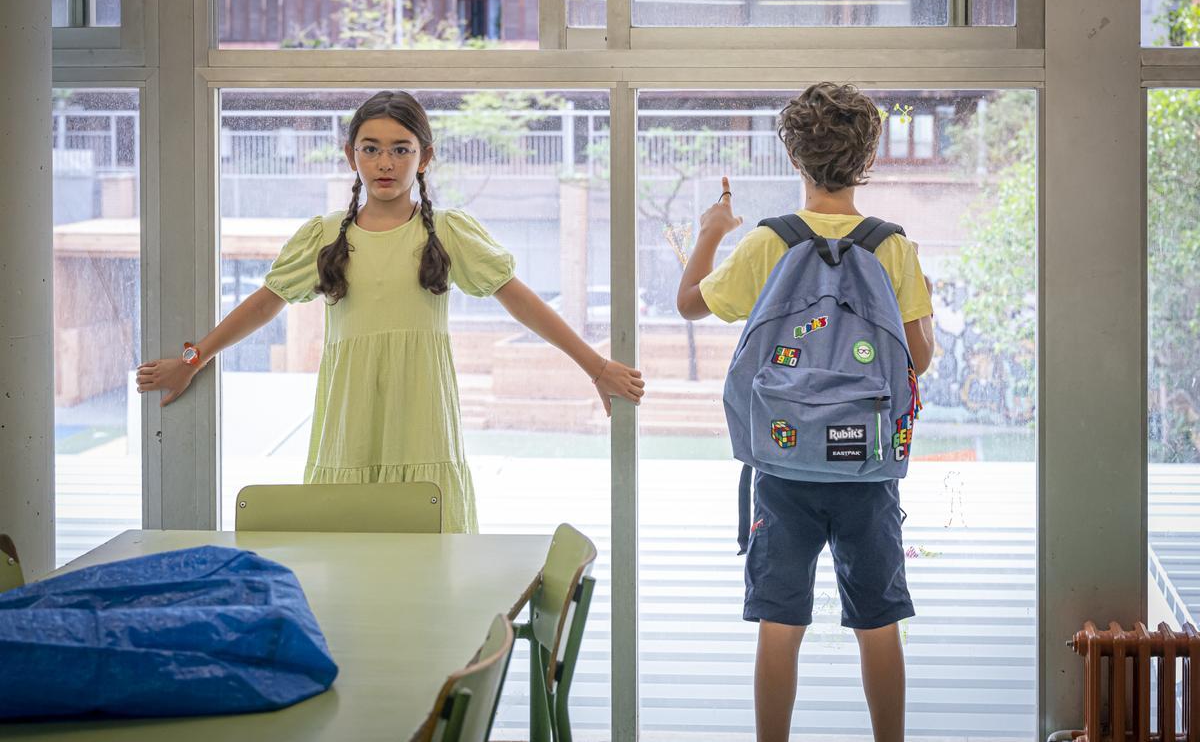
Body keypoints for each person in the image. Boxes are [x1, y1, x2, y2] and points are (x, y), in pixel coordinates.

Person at [137, 90, 644, 533]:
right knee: (346, 551)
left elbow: (522, 302)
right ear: (350, 155)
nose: (385, 163)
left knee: (428, 548)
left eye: (400, 150)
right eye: (371, 149)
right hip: (349, 415)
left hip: (421, 413)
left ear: (424, 157)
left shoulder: (447, 231)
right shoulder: (324, 234)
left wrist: (596, 367)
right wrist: (193, 356)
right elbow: (264, 303)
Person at [676, 83, 935, 742]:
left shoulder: (769, 242)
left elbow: (689, 303)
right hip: (868, 467)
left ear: (794, 155)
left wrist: (711, 232)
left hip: (784, 467)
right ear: (867, 155)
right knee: (878, 621)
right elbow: (919, 358)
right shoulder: (892, 245)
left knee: (780, 623)